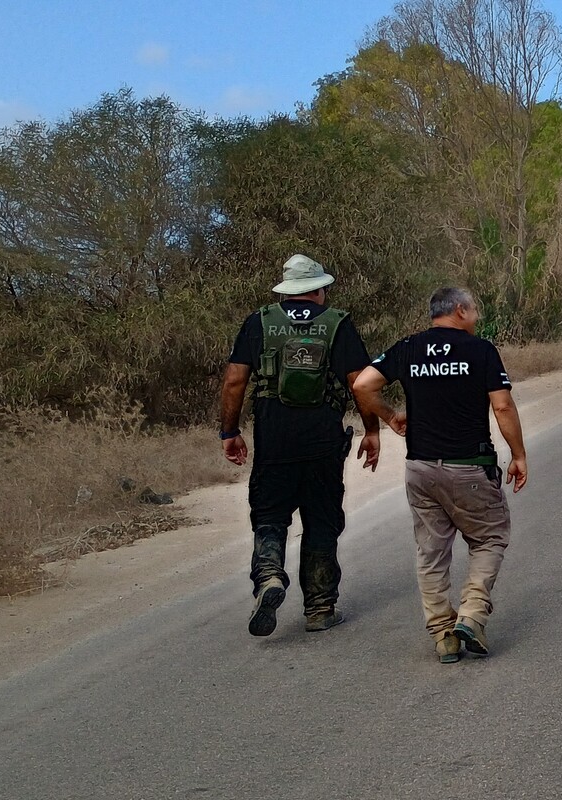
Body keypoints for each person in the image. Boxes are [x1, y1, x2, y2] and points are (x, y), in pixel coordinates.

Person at [352, 286, 528, 664]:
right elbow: (502, 405)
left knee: (431, 552)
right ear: (460, 310)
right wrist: (518, 454)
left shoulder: (409, 348)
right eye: (475, 309)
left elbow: (362, 384)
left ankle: (443, 634)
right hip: (470, 467)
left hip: (421, 468)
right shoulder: (480, 351)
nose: (477, 317)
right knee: (490, 538)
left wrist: (388, 417)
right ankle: (472, 614)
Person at [219, 254, 380, 637]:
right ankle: (320, 609)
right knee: (322, 521)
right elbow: (361, 383)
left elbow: (234, 382)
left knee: (271, 515)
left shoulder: (258, 322)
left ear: (288, 291)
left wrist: (230, 431)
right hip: (323, 444)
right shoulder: (337, 323)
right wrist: (372, 430)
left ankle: (270, 576)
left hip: (274, 443)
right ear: (318, 290)